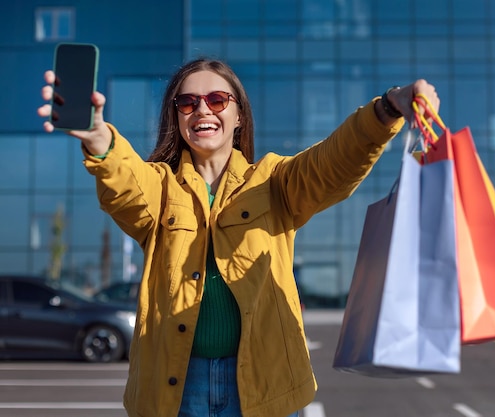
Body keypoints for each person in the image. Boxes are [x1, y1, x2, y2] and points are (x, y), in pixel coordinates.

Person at [37, 57, 439, 417]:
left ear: (239, 115)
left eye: (216, 99)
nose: (201, 110)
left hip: (264, 387)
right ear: (176, 117)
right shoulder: (159, 187)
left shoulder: (275, 180)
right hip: (176, 391)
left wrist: (386, 110)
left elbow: (332, 161)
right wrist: (99, 139)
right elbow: (126, 183)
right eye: (187, 103)